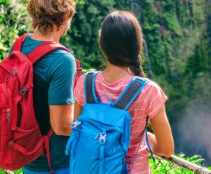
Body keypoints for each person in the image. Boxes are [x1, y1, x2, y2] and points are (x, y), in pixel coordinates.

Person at [74, 11, 174, 173]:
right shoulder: (149, 91)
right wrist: (146, 138)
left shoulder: (85, 83)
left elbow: (78, 128)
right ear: (137, 44)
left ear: (103, 44)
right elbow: (166, 149)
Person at [18, 0, 78, 174]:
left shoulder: (20, 44)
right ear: (65, 16)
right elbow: (61, 126)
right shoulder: (62, 60)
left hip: (26, 154)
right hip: (55, 163)